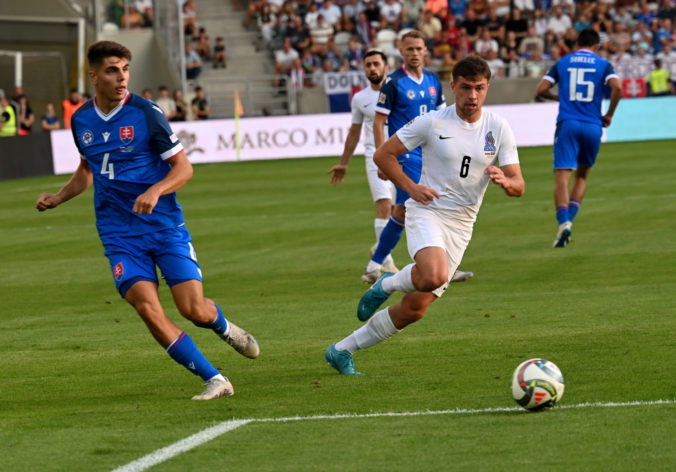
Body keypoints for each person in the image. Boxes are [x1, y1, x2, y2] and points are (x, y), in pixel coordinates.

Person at [35, 40, 259, 400]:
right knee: (147, 308)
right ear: (93, 76)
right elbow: (87, 168)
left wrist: (156, 191)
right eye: (112, 70)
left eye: (125, 69)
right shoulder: (81, 119)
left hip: (164, 227)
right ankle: (215, 378)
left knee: (193, 310)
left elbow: (183, 167)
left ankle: (223, 326)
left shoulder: (146, 112)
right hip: (118, 233)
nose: (121, 77)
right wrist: (59, 197)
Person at [325, 56, 525, 375]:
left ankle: (341, 350)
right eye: (466, 88)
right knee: (433, 275)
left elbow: (519, 184)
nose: (472, 96)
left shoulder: (498, 127)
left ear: (487, 88)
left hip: (462, 224)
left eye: (479, 88)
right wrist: (410, 188)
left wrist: (506, 182)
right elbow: (383, 155)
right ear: (453, 86)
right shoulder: (432, 122)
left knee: (415, 309)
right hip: (427, 211)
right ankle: (390, 282)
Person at [366, 30, 473, 284]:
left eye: (418, 48)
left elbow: (443, 119)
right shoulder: (393, 83)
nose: (414, 53)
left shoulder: (434, 80)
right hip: (406, 156)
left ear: (426, 50)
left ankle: (373, 266)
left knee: (402, 211)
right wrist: (382, 158)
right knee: (429, 204)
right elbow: (379, 121)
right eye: (409, 49)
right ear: (401, 51)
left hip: (431, 155)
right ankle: (443, 265)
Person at [535, 28, 622, 248]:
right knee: (582, 177)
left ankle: (563, 224)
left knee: (562, 177)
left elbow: (541, 89)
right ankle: (568, 223)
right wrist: (609, 114)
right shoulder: (603, 64)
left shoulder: (563, 62)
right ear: (596, 46)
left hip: (568, 123)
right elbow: (617, 88)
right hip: (593, 125)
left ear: (577, 44)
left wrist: (558, 97)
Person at [327, 50, 398, 275]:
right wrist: (344, 163)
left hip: (401, 155)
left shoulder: (400, 90)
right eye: (368, 65)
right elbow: (354, 132)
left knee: (400, 210)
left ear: (386, 66)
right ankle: (384, 262)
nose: (372, 69)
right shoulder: (360, 98)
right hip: (374, 156)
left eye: (376, 64)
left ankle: (379, 247)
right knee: (384, 205)